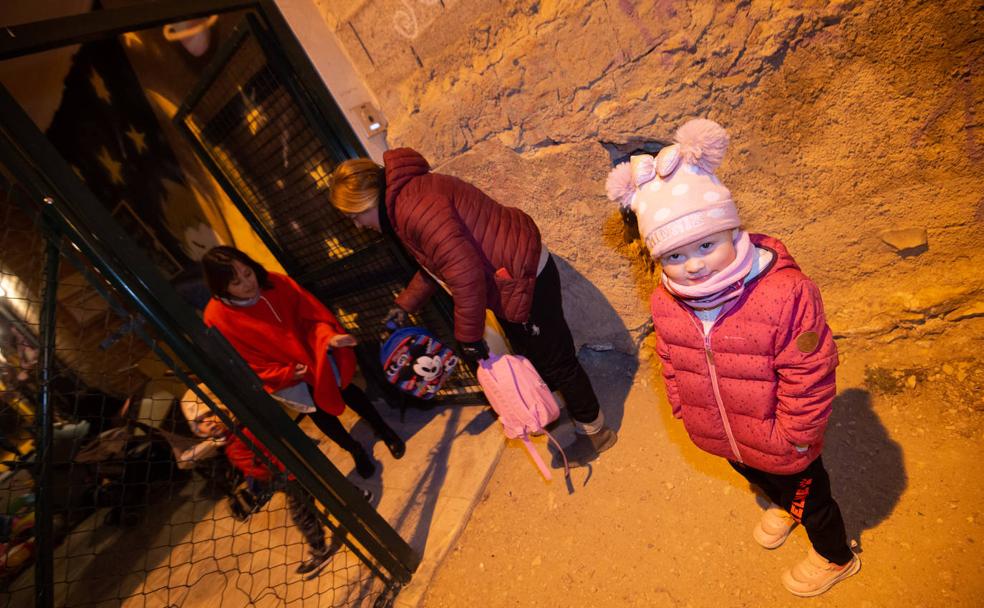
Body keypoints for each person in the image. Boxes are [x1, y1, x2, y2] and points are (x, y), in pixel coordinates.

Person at [605, 118, 860, 597]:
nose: (695, 263)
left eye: (706, 244)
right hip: (724, 433)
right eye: (676, 255)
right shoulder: (665, 300)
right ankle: (783, 503)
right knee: (756, 472)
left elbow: (810, 373)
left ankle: (835, 556)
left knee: (813, 499)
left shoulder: (786, 294)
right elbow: (670, 358)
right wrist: (685, 411)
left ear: (732, 229)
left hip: (786, 440)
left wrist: (797, 439)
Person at [326, 149, 615, 467]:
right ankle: (555, 407)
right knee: (533, 355)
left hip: (520, 277)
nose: (358, 226)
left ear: (369, 199)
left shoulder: (412, 208)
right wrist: (405, 304)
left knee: (555, 360)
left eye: (356, 216)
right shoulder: (407, 201)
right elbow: (439, 265)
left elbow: (464, 273)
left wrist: (469, 335)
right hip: (510, 275)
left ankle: (594, 430)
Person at [201, 246, 405, 479]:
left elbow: (311, 315)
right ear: (221, 287)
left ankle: (384, 430)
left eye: (248, 273)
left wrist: (329, 337)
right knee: (318, 413)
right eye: (236, 282)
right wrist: (285, 373)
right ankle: (355, 449)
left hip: (312, 352)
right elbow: (243, 361)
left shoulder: (275, 282)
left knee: (347, 390)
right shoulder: (216, 317)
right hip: (284, 372)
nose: (249, 284)